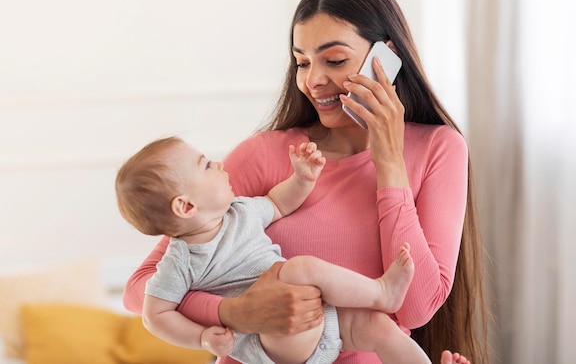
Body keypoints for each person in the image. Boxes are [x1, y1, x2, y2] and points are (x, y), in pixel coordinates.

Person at [123, 0, 488, 363]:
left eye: (334, 60)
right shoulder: (264, 154)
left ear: (386, 58)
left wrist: (389, 164)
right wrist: (233, 312)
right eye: (302, 62)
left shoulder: (438, 149)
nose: (313, 80)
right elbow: (139, 289)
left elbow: (415, 308)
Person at [115, 136, 430, 363]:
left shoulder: (240, 212)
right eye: (207, 166)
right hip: (273, 341)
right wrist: (200, 337)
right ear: (185, 206)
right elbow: (154, 315)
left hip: (324, 324)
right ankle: (381, 294)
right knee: (296, 270)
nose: (220, 163)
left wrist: (302, 179)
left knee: (380, 328)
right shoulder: (180, 261)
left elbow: (278, 203)